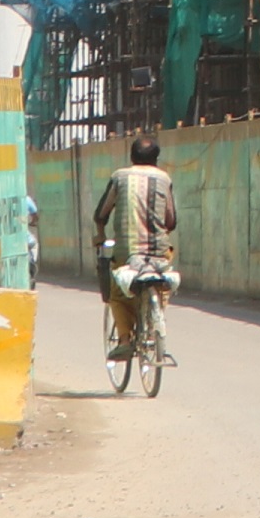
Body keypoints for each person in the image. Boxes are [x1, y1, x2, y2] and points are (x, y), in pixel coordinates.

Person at [93, 135, 179, 364]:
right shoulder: (164, 179)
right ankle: (154, 321)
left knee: (117, 293)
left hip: (128, 252)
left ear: (131, 157)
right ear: (156, 159)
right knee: (162, 286)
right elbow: (171, 221)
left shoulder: (120, 177)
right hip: (159, 252)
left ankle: (124, 340)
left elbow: (101, 212)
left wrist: (100, 234)